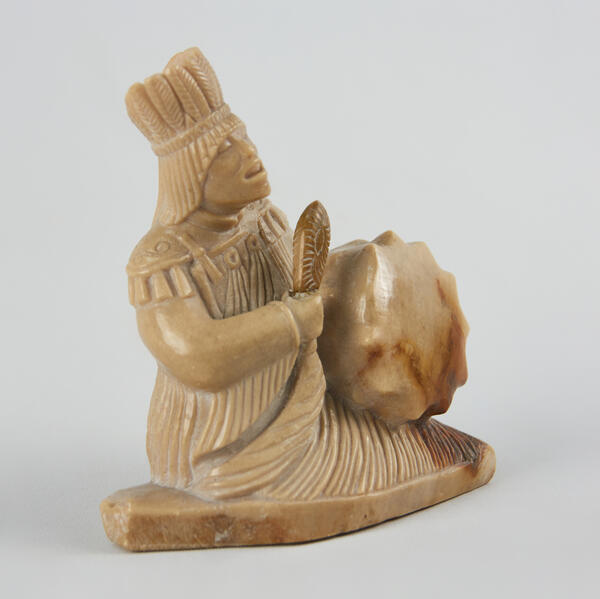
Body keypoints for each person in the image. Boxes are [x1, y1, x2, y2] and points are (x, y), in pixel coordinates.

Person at [126, 48, 485, 502]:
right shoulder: (162, 262)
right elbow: (196, 357)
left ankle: (428, 451)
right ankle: (231, 486)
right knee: (374, 460)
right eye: (226, 152)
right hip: (228, 444)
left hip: (303, 405)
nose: (250, 153)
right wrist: (291, 322)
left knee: (390, 444)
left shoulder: (263, 220)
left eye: (244, 138)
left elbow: (308, 293)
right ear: (191, 176)